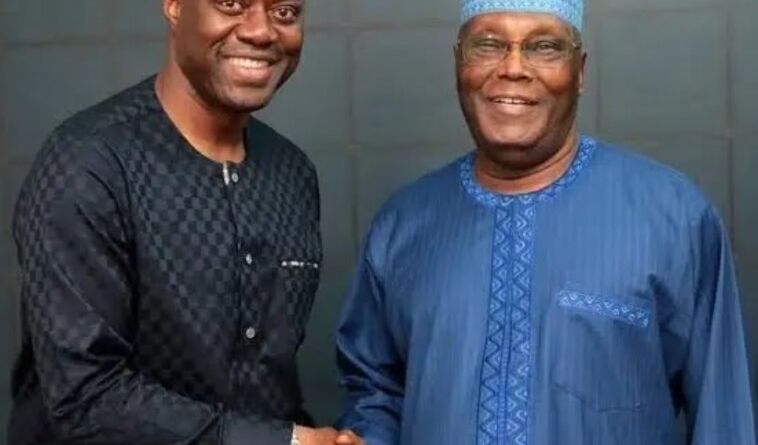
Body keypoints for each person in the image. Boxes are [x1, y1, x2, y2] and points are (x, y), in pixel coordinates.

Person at [335, 0, 756, 443]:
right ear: (459, 63)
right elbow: (375, 395)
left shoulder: (674, 217)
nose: (513, 68)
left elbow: (723, 419)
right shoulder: (403, 226)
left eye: (544, 47)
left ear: (580, 72)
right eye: (488, 45)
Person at [8, 1, 359, 444]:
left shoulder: (292, 174)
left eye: (284, 11)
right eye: (231, 3)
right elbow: (84, 400)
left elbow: (265, 390)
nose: (261, 31)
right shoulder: (88, 165)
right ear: (174, 6)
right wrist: (285, 442)